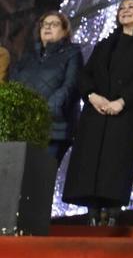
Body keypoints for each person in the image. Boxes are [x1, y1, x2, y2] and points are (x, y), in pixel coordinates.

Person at [63, 0, 133, 226]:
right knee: (90, 161)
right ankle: (92, 213)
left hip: (125, 114)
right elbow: (85, 74)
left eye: (131, 7)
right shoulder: (104, 44)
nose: (125, 11)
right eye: (121, 8)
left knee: (116, 163)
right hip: (96, 112)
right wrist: (92, 95)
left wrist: (122, 101)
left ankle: (112, 213)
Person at [8, 11, 84, 164]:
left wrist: (45, 111)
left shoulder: (72, 54)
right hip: (21, 126)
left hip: (53, 129)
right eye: (44, 24)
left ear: (65, 31)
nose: (48, 27)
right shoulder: (27, 57)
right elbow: (13, 85)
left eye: (54, 24)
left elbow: (71, 85)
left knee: (39, 174)